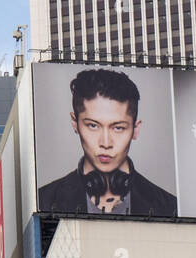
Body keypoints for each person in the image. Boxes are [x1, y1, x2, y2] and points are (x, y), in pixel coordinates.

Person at [37, 67, 178, 218]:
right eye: (93, 126)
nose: (105, 143)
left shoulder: (169, 206)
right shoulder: (43, 200)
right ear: (75, 123)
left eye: (118, 128)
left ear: (135, 129)